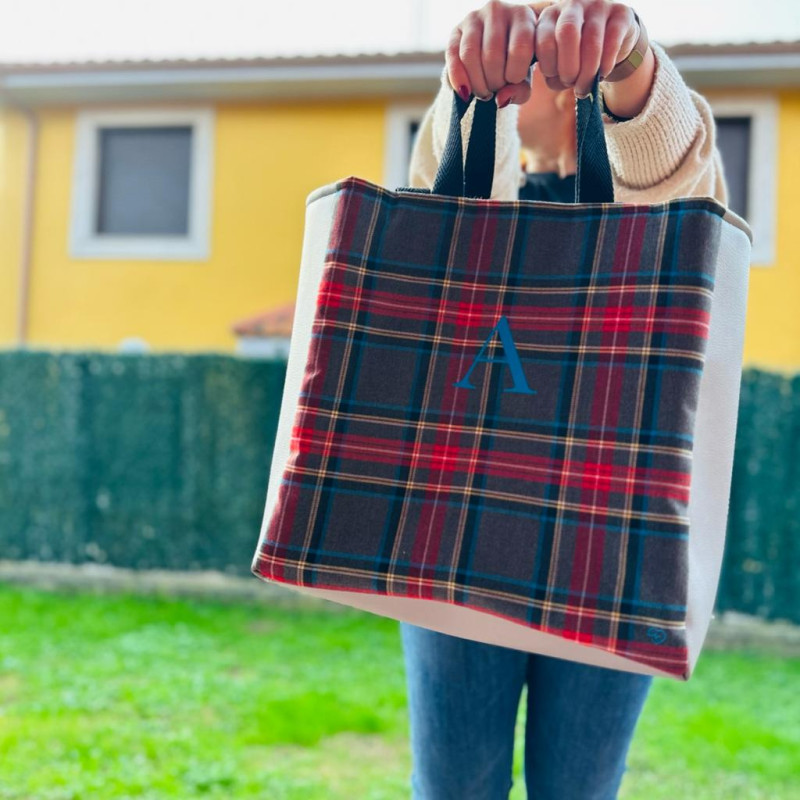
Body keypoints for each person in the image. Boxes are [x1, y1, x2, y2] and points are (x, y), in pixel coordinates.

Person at [401, 2, 730, 798]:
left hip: (617, 527)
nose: (546, 40)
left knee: (580, 788)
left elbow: (682, 193)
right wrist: (467, 93)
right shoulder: (455, 129)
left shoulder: (659, 140)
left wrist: (632, 66)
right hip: (456, 519)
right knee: (452, 786)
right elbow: (438, 203)